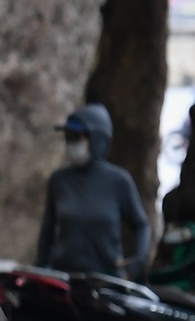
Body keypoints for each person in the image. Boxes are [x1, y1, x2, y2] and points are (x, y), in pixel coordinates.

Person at [35, 104, 151, 276]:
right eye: (67, 137)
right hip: (63, 278)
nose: (71, 143)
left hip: (106, 280)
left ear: (97, 140)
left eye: (76, 137)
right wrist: (39, 270)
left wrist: (138, 261)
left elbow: (141, 225)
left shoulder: (119, 181)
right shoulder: (59, 180)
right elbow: (47, 233)